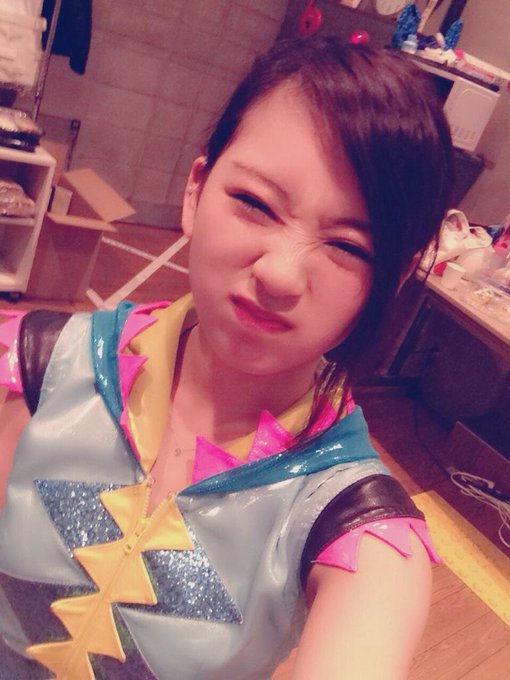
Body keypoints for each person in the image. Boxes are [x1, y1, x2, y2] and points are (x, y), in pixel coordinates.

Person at [0, 36, 453, 680]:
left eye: (348, 246)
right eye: (256, 204)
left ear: (394, 279)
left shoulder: (357, 529)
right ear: (196, 190)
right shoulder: (37, 362)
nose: (280, 274)